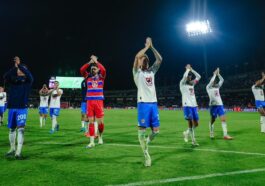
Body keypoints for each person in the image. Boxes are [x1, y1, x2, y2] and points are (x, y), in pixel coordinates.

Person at [133, 37, 162, 167]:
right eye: (141, 59)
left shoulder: (152, 71)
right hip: (143, 104)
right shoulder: (136, 72)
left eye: (145, 59)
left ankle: (147, 142)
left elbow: (160, 59)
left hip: (153, 104)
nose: (143, 59)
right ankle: (146, 155)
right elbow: (136, 56)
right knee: (142, 130)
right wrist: (146, 47)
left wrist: (152, 47)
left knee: (156, 131)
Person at [3, 56, 33, 159]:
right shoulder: (13, 80)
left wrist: (19, 65)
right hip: (12, 107)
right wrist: (15, 67)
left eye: (21, 69)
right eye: (19, 69)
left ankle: (18, 152)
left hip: (22, 108)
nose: (19, 70)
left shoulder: (27, 81)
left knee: (20, 129)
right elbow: (5, 76)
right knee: (11, 129)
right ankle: (12, 148)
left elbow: (29, 75)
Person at [80, 55, 106, 148]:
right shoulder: (87, 77)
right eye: (92, 68)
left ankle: (100, 137)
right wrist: (89, 63)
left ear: (98, 70)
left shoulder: (101, 77)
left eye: (94, 68)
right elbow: (82, 70)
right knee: (91, 121)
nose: (93, 69)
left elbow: (104, 70)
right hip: (90, 102)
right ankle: (91, 142)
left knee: (100, 123)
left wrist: (96, 61)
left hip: (99, 101)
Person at [206, 68, 233, 140]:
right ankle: (211, 132)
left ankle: (225, 135)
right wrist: (214, 74)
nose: (214, 81)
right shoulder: (208, 87)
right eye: (213, 81)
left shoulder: (217, 86)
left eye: (215, 81)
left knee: (223, 119)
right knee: (213, 120)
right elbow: (211, 80)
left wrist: (218, 74)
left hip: (220, 105)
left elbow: (222, 80)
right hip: (213, 106)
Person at [180, 64, 201, 146]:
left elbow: (199, 76)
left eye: (190, 76)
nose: (189, 77)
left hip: (194, 105)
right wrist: (187, 70)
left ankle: (186, 132)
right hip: (187, 105)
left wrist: (191, 70)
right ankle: (193, 141)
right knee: (191, 123)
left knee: (196, 124)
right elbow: (184, 76)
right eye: (188, 76)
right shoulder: (182, 83)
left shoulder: (192, 84)